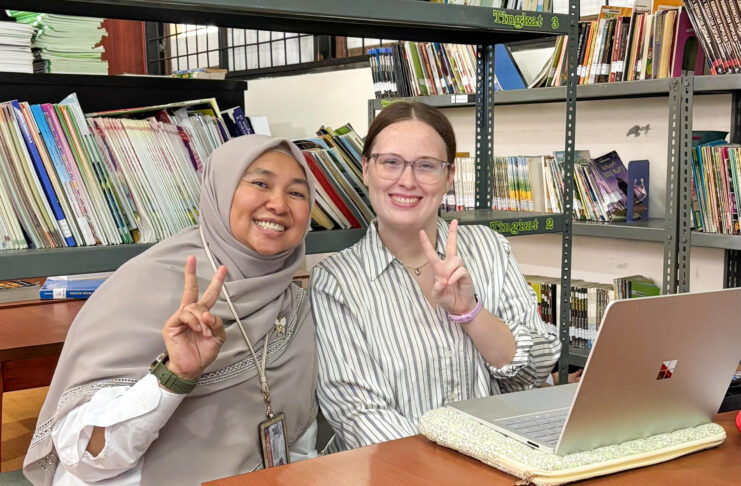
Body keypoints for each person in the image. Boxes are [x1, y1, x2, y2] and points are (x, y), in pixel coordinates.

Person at [23, 135, 318, 485]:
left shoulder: (294, 306)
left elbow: (298, 443)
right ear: (220, 190)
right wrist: (173, 376)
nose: (279, 204)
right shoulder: (146, 282)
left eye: (297, 193)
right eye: (259, 183)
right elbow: (84, 456)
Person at [310, 102, 561, 452]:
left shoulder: (489, 249)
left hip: (497, 465)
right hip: (399, 474)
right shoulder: (335, 281)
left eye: (426, 166)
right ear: (366, 169)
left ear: (449, 176)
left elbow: (534, 371)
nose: (407, 181)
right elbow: (359, 415)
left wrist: (472, 313)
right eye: (391, 162)